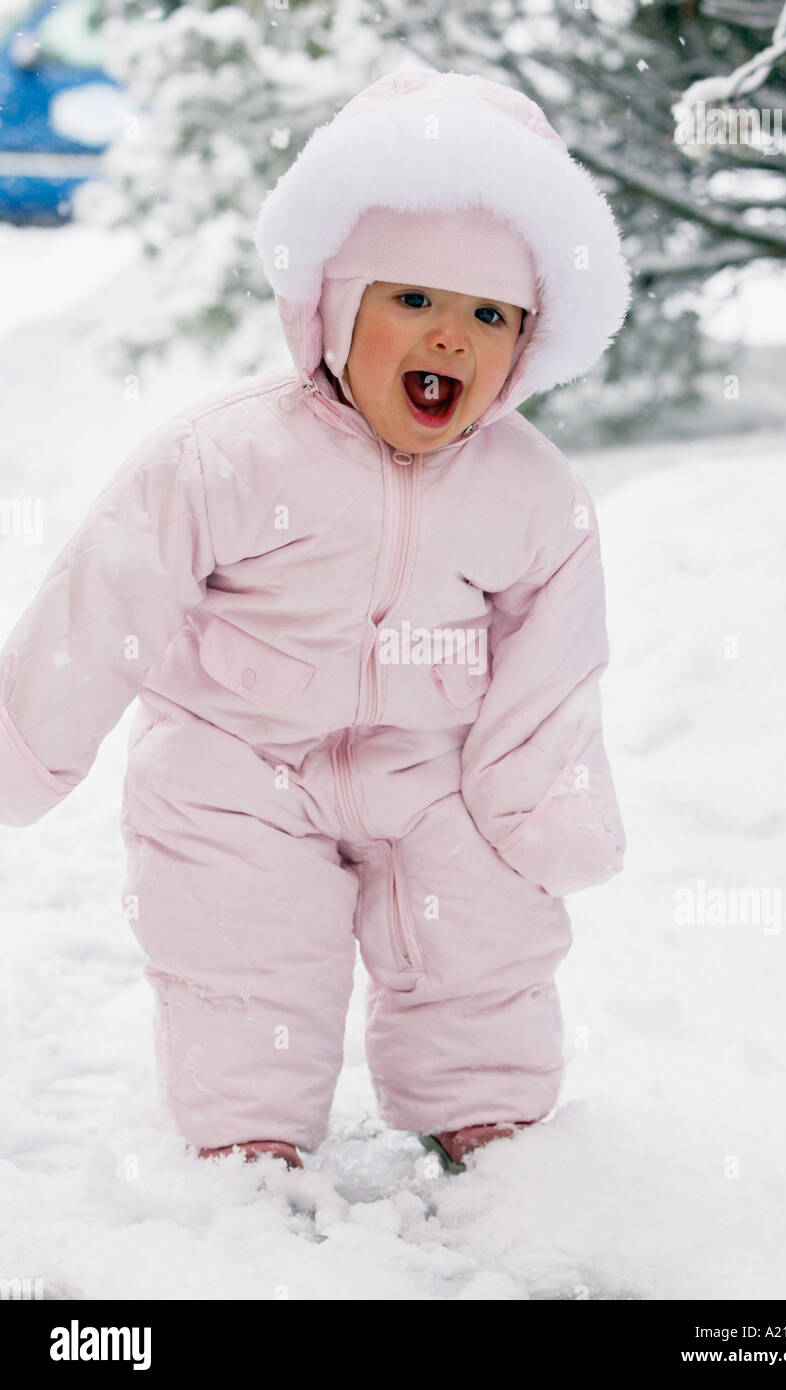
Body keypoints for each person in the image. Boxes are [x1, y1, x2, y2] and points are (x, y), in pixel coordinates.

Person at [0, 69, 630, 1176]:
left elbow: (554, 656)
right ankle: (247, 1133)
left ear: (525, 346)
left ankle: (481, 1107)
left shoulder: (531, 490)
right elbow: (104, 602)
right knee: (238, 945)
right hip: (234, 759)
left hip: (431, 764)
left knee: (481, 928)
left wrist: (534, 800)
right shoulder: (228, 456)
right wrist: (24, 745)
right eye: (413, 300)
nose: (449, 336)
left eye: (488, 314)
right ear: (336, 307)